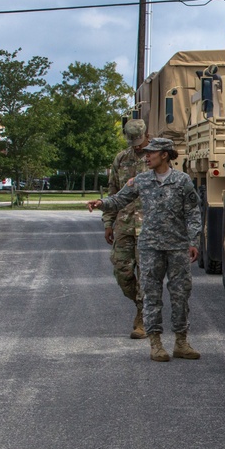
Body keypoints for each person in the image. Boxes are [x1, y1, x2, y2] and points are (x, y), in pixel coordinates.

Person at [88, 137, 202, 362]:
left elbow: (193, 212)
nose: (146, 156)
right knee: (152, 295)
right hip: (150, 246)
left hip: (177, 247)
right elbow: (119, 200)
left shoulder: (182, 181)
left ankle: (181, 342)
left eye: (152, 153)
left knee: (180, 295)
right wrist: (101, 203)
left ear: (165, 155)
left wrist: (193, 241)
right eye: (146, 153)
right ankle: (156, 343)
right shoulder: (140, 181)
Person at [104, 118, 149, 339]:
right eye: (132, 140)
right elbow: (112, 193)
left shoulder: (155, 158)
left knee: (147, 274)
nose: (136, 144)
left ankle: (142, 317)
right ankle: (142, 305)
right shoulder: (121, 159)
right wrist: (107, 223)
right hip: (124, 224)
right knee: (122, 271)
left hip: (149, 226)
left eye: (138, 140)